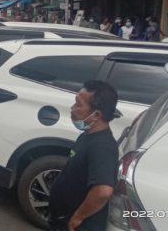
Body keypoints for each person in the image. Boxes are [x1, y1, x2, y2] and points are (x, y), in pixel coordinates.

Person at [48, 80, 119, 231]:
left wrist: (77, 217)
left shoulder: (102, 146)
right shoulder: (88, 135)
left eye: (78, 104)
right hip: (63, 218)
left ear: (96, 115)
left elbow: (103, 191)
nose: (72, 108)